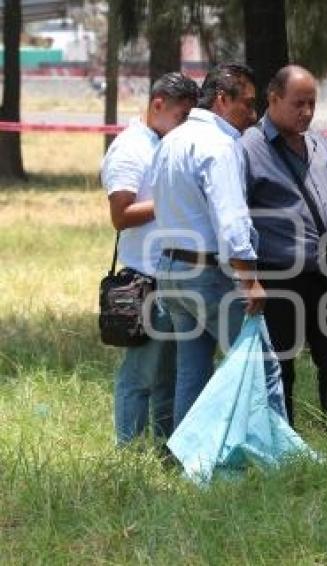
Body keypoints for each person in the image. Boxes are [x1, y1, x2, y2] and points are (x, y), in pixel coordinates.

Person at [149, 63, 281, 428]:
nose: (253, 116)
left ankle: (189, 460)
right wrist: (249, 278)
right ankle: (273, 461)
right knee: (261, 367)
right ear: (222, 100)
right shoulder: (220, 145)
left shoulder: (172, 139)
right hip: (209, 276)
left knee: (192, 372)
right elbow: (231, 218)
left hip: (172, 271)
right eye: (248, 105)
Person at [240, 65, 327, 425]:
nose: (306, 112)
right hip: (280, 276)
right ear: (273, 99)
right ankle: (282, 440)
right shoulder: (248, 148)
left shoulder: (320, 143)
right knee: (280, 365)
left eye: (312, 103)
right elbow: (237, 215)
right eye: (298, 104)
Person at [100, 71, 199, 445]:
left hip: (171, 275)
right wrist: (172, 200)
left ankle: (164, 449)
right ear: (158, 104)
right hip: (145, 279)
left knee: (167, 374)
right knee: (141, 374)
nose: (185, 124)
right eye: (181, 115)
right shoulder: (130, 148)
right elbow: (120, 215)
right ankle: (128, 451)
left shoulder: (163, 142)